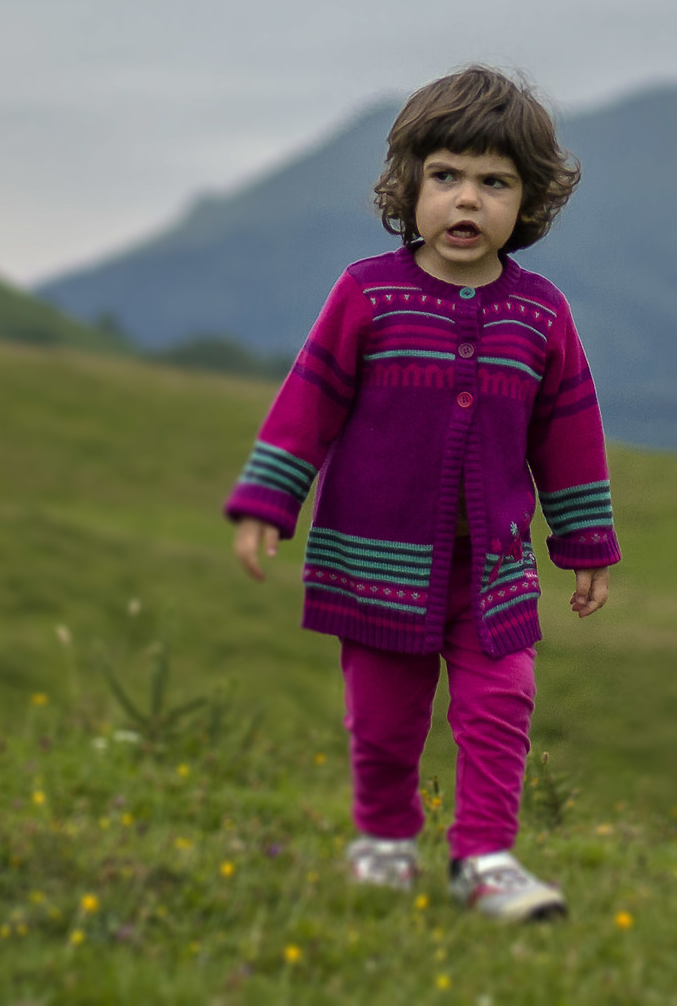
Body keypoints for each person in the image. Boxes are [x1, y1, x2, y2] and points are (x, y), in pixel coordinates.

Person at [223, 65, 617, 923]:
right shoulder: (367, 294)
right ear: (410, 184)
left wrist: (585, 546)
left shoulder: (542, 315)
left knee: (502, 706)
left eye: (494, 182)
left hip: (496, 570)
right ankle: (386, 844)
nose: (465, 200)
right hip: (377, 561)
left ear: (528, 204)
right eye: (446, 176)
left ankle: (483, 860)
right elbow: (309, 400)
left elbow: (571, 435)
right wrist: (267, 500)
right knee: (385, 724)